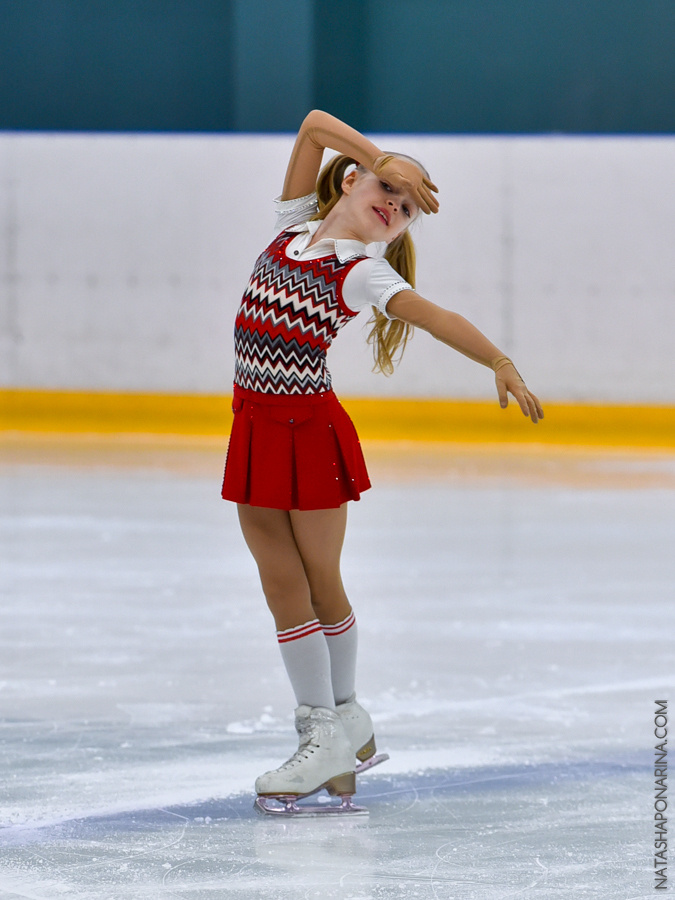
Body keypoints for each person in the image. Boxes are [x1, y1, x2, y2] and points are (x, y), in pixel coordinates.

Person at [221, 110, 543, 810]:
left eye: (405, 210)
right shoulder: (292, 224)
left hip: (308, 430)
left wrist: (498, 359)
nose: (396, 207)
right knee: (280, 582)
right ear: (350, 178)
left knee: (318, 581)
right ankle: (342, 723)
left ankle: (327, 726)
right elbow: (311, 127)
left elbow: (433, 317)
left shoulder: (361, 271)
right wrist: (386, 160)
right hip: (253, 425)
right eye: (391, 191)